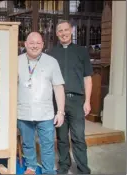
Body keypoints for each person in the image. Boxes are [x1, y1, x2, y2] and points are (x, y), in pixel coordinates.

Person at [47, 20, 92, 174]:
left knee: (78, 137)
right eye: (60, 31)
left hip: (76, 100)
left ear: (71, 31)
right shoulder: (51, 54)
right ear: (57, 33)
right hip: (58, 102)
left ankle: (83, 169)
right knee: (61, 137)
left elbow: (87, 78)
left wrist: (88, 101)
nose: (64, 33)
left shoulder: (82, 51)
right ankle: (64, 165)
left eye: (66, 30)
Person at [17, 32, 66, 174]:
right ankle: (31, 166)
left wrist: (60, 112)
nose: (35, 46)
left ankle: (48, 171)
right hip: (23, 112)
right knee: (27, 143)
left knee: (48, 145)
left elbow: (58, 87)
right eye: (31, 43)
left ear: (43, 45)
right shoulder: (17, 61)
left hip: (46, 113)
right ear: (25, 44)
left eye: (38, 43)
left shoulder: (51, 62)